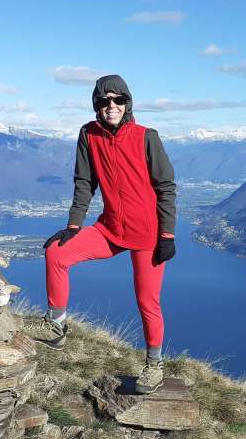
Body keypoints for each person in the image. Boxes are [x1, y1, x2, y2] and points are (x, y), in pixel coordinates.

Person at [24, 74, 177, 394]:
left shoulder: (147, 137)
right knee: (56, 252)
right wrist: (73, 226)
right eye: (104, 101)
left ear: (127, 103)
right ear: (96, 104)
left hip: (147, 234)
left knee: (147, 301)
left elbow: (166, 188)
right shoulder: (88, 134)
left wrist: (167, 236)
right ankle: (55, 326)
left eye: (118, 100)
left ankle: (154, 365)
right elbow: (84, 183)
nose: (112, 106)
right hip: (110, 228)